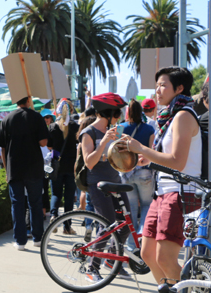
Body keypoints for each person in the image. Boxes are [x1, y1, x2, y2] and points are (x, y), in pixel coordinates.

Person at [124, 67, 201, 289]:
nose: (157, 90)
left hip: (181, 193)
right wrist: (150, 160)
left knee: (165, 259)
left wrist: (142, 149)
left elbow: (178, 161)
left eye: (163, 85)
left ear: (179, 88)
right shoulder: (170, 117)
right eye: (156, 85)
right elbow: (170, 158)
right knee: (148, 254)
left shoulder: (183, 116)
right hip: (164, 192)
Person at [80, 92, 131, 282]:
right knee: (107, 224)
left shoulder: (113, 130)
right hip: (98, 184)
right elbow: (89, 163)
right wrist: (103, 142)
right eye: (117, 114)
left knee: (126, 224)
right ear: (107, 113)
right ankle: (91, 267)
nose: (118, 118)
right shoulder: (89, 133)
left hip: (115, 181)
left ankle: (112, 261)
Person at [0, 97, 49, 250]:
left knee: (17, 205)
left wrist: (7, 171)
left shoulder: (7, 119)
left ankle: (20, 241)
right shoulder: (36, 116)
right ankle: (38, 238)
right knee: (35, 203)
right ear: (29, 100)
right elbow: (44, 142)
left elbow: (3, 149)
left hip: (14, 168)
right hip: (33, 166)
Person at [120, 99, 155, 233]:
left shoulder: (121, 128)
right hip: (144, 171)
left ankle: (132, 244)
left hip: (126, 172)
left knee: (131, 209)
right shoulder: (150, 129)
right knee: (146, 205)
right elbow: (152, 150)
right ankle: (142, 234)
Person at [47, 99, 79, 234]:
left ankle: (54, 216)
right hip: (71, 166)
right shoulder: (75, 127)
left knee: (56, 194)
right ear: (71, 111)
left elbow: (49, 146)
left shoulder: (53, 127)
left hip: (56, 165)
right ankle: (67, 226)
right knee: (69, 196)